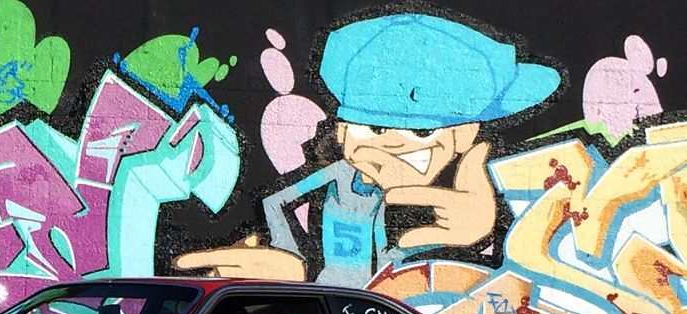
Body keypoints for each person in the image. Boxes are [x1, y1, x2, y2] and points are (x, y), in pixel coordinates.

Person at [177, 13, 561, 286]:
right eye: (375, 128)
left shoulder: (486, 191)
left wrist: (486, 233)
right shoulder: (337, 187)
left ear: (464, 136)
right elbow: (281, 201)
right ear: (343, 133)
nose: (394, 144)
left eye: (423, 132)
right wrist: (293, 263)